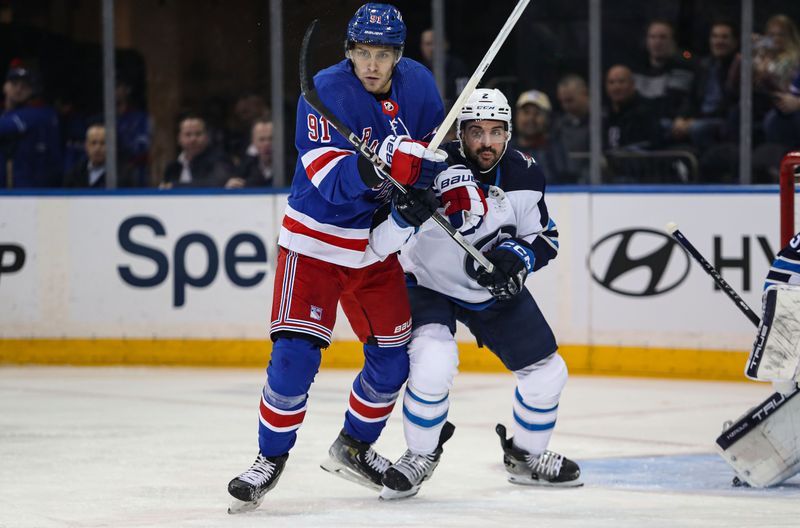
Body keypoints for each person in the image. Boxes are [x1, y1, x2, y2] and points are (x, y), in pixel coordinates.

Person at [226, 3, 447, 513]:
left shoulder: (419, 86)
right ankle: (268, 460)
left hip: (376, 249)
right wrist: (385, 170)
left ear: (398, 56)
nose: (372, 64)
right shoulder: (326, 90)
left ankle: (354, 445)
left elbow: (434, 160)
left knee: (393, 359)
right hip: (316, 244)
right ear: (349, 52)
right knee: (294, 360)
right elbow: (327, 179)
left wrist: (432, 188)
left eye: (383, 54)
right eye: (363, 52)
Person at [369, 88, 580, 500]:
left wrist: (518, 258)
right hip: (427, 282)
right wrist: (407, 208)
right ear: (460, 133)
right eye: (476, 132)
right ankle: (420, 455)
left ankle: (526, 456)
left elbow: (545, 238)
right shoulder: (430, 167)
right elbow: (381, 239)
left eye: (496, 132)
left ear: (508, 132)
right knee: (433, 363)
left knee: (548, 372)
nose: (486, 143)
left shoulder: (524, 175)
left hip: (487, 287)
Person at [0, 59, 62, 188]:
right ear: (5, 86)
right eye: (14, 83)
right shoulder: (6, 114)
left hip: (30, 189)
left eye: (24, 86)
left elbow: (6, 127)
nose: (19, 89)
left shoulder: (38, 113)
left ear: (32, 91)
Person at [631, 19, 695, 139]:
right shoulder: (636, 72)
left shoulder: (684, 70)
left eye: (663, 37)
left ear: (673, 41)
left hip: (671, 129)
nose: (657, 42)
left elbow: (685, 103)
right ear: (646, 41)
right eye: (653, 37)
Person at [508, 89, 571, 183]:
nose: (531, 118)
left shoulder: (557, 150)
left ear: (548, 118)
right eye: (526, 112)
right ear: (516, 116)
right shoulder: (505, 149)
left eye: (537, 113)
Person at [161, 114, 235, 188]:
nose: (193, 139)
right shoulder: (172, 168)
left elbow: (218, 183)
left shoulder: (219, 160)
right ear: (179, 138)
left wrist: (175, 186)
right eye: (188, 134)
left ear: (206, 137)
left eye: (198, 134)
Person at [62, 123, 134, 188]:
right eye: (93, 143)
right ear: (86, 146)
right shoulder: (74, 174)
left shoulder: (124, 175)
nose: (97, 148)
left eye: (103, 143)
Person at [553, 74, 590, 182]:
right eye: (562, 101)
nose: (565, 106)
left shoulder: (601, 121)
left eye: (569, 100)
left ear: (584, 94)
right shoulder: (558, 125)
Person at [226, 118, 274, 188]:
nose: (267, 144)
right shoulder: (245, 168)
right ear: (253, 141)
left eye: (271, 138)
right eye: (262, 139)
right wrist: (229, 191)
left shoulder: (291, 168)